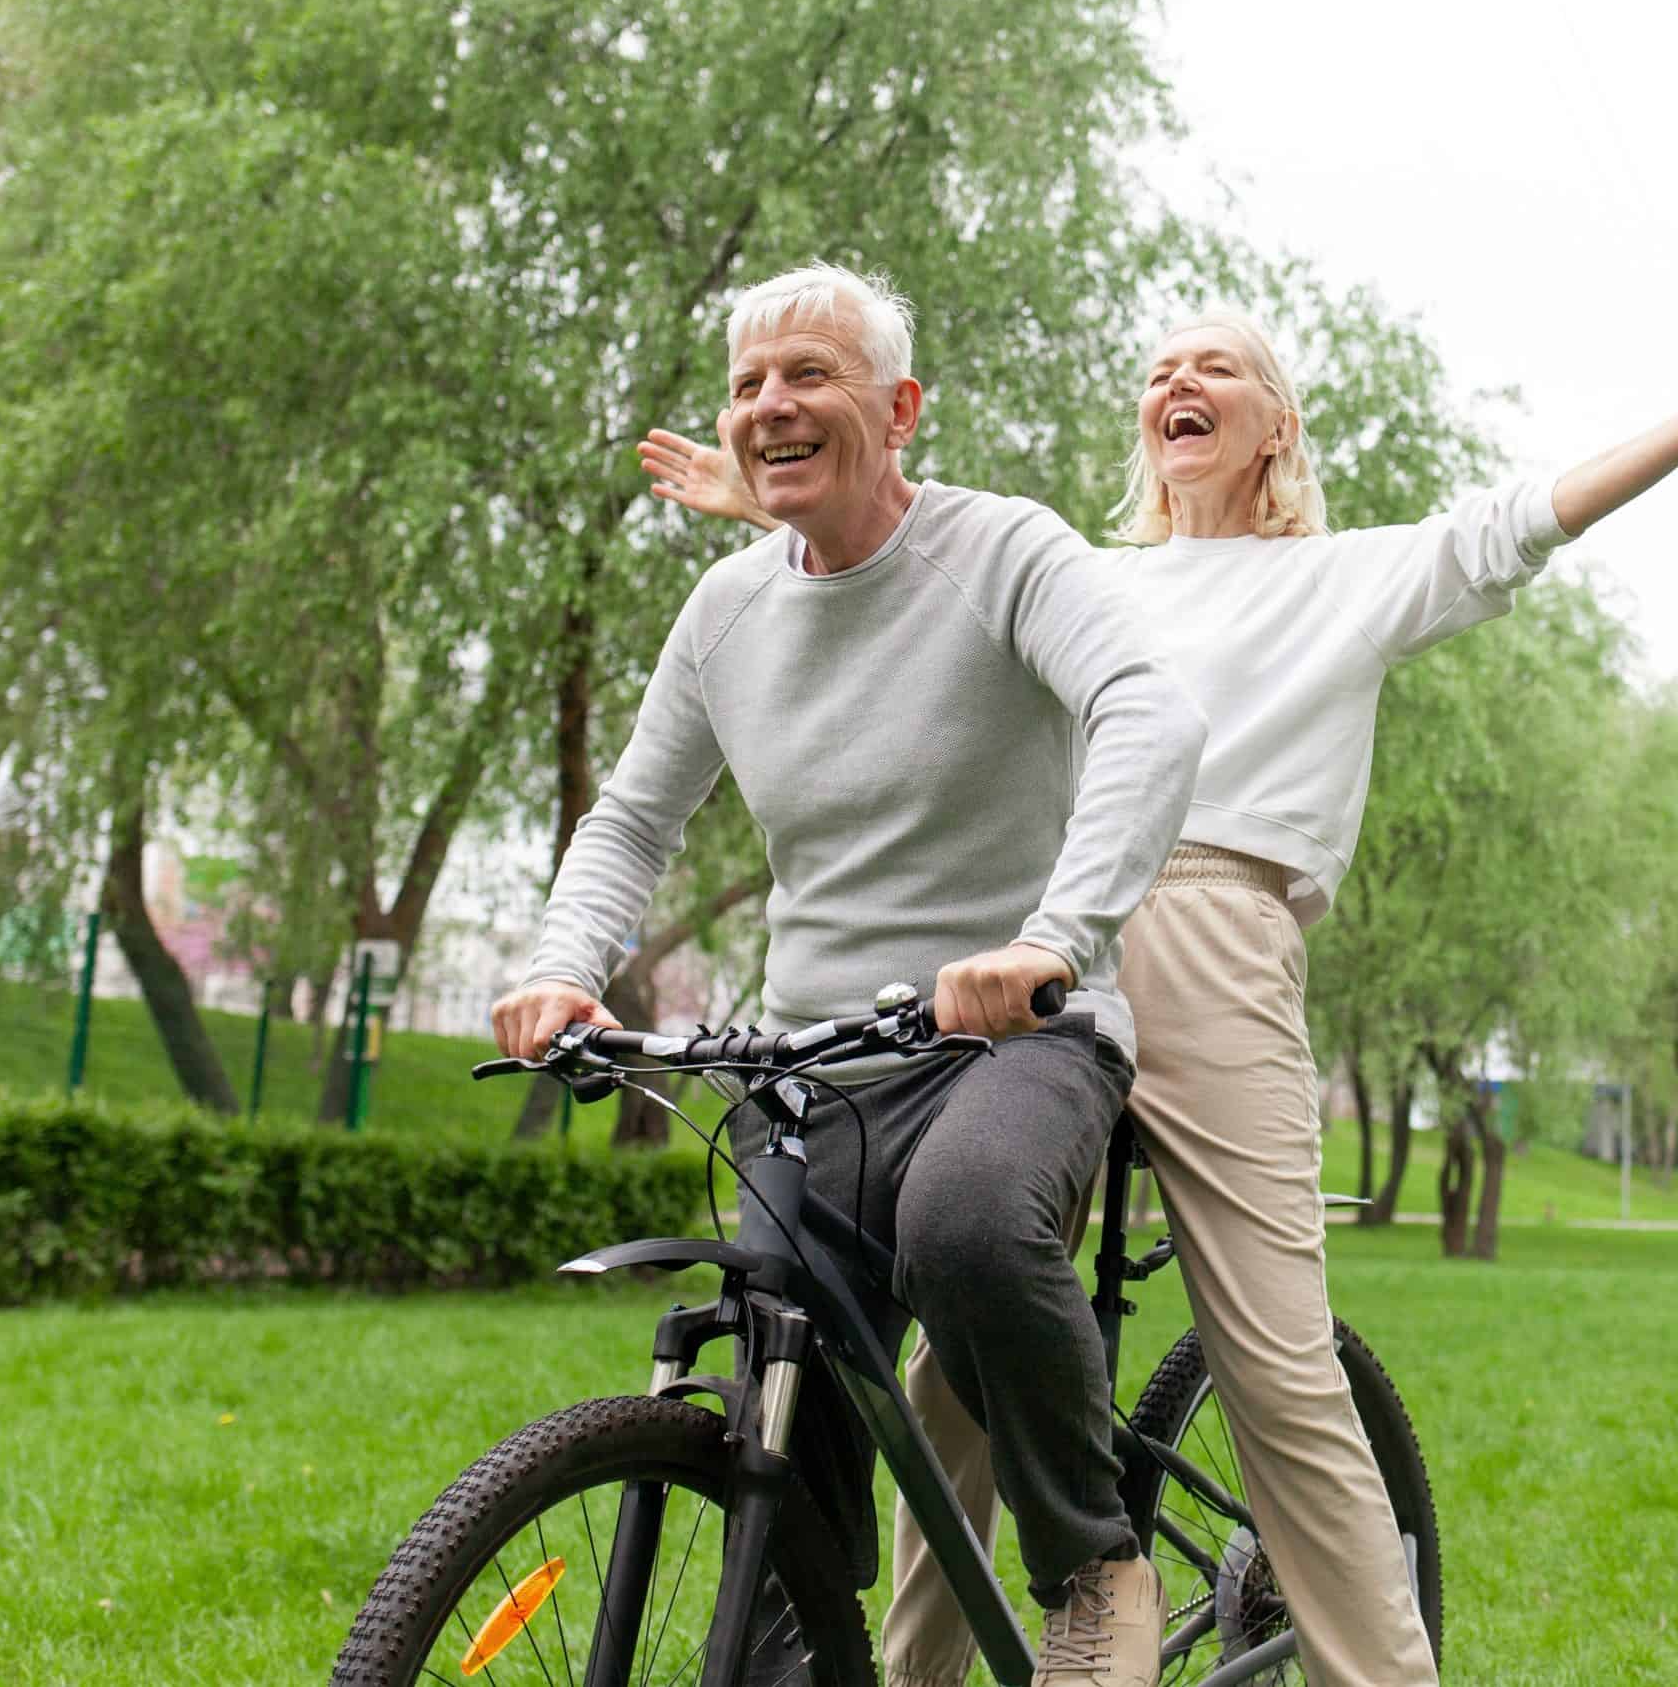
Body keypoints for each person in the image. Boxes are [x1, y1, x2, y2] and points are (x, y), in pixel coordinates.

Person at [638, 268, 1678, 1687]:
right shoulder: (1081, 572)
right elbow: (923, 576)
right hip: (1045, 940)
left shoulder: (1344, 578)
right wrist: (780, 508)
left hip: (1221, 939)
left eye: (1217, 368)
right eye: (1163, 367)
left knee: (1275, 1366)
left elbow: (1532, 517)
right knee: (958, 1354)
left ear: (1274, 427)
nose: (1178, 382)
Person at [493, 261, 1209, 1687]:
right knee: (781, 1361)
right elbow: (634, 815)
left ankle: (1093, 1569)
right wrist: (564, 966)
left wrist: (1052, 941)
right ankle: (798, 1652)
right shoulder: (725, 613)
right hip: (816, 1064)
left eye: (808, 376)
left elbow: (1150, 712)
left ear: (899, 408)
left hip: (1020, 1041)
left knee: (963, 1222)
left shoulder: (1004, 553)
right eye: (751, 384)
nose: (771, 407)